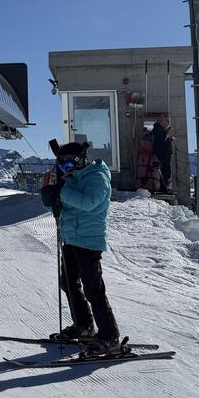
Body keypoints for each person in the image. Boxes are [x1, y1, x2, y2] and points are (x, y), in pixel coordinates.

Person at [40, 140, 124, 356]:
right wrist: (50, 199)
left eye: (68, 166)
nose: (65, 171)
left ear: (80, 161)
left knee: (93, 288)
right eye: (62, 167)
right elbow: (63, 204)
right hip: (71, 238)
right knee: (67, 283)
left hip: (88, 240)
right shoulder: (72, 177)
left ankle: (109, 336)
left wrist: (61, 193)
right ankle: (84, 327)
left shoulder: (97, 177)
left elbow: (89, 203)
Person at [151, 115, 174, 193]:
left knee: (165, 172)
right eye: (166, 121)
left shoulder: (161, 130)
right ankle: (162, 188)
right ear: (161, 121)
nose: (167, 123)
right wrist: (167, 134)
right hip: (161, 155)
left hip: (164, 155)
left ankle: (164, 188)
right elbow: (161, 141)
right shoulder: (158, 129)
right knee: (162, 172)